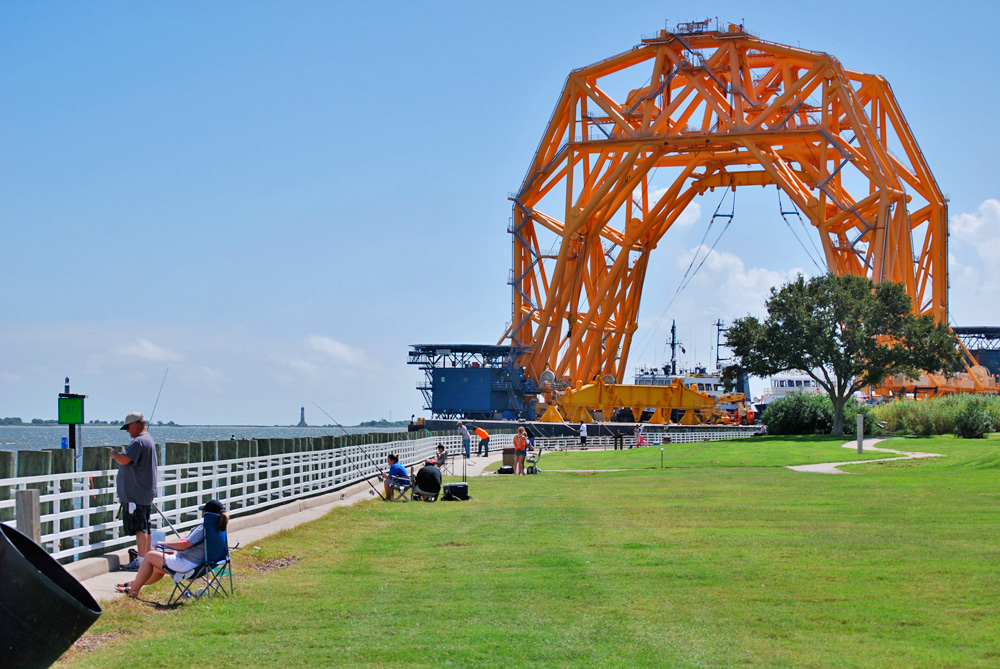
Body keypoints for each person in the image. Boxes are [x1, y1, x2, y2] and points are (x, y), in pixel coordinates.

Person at [116, 499, 228, 599]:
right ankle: (133, 584)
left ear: (207, 513)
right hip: (200, 566)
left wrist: (164, 544)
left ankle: (133, 591)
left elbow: (185, 545)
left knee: (150, 556)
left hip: (187, 566)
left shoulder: (204, 528)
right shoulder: (220, 529)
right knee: (158, 569)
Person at [110, 411, 158, 571]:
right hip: (144, 492)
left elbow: (124, 460)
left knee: (140, 528)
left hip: (136, 495)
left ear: (135, 425)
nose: (128, 432)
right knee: (146, 526)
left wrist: (114, 454)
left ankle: (141, 562)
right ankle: (147, 558)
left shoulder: (139, 442)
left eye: (128, 428)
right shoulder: (148, 440)